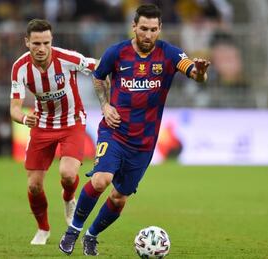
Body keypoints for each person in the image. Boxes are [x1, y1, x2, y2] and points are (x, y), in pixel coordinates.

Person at [59, 4, 210, 256]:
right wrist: (105, 104)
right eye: (143, 29)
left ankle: (91, 235)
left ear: (160, 28)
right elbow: (98, 76)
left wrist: (202, 73)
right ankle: (72, 230)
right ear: (134, 27)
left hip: (143, 143)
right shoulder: (116, 52)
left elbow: (194, 72)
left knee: (119, 197)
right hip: (114, 131)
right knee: (100, 180)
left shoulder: (170, 54)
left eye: (153, 29)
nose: (148, 34)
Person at [10, 19, 98, 245]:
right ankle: (43, 229)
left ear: (52, 41)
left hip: (72, 122)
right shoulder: (19, 68)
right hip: (41, 125)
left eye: (46, 43)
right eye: (36, 43)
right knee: (33, 185)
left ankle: (69, 198)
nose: (41, 48)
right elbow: (14, 109)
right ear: (27, 42)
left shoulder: (68, 59)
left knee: (68, 175)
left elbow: (98, 66)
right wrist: (23, 118)